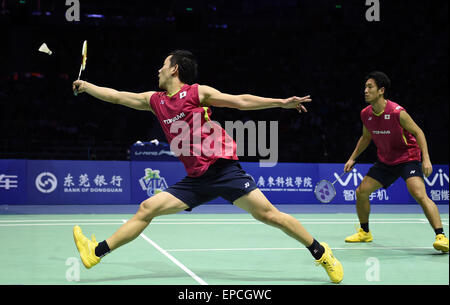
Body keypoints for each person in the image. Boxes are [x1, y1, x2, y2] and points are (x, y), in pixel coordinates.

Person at [72, 50, 344, 283]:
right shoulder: (155, 101)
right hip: (196, 180)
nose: (158, 70)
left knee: (269, 215)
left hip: (223, 170)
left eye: (163, 65)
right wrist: (87, 87)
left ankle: (321, 253)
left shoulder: (197, 93)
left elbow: (240, 101)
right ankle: (95, 253)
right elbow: (118, 96)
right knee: (147, 208)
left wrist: (280, 103)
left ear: (174, 69)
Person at [343, 71, 449, 253]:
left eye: (370, 87)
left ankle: (441, 236)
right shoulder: (366, 114)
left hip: (407, 158)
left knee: (419, 194)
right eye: (365, 87)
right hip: (385, 161)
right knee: (361, 192)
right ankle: (365, 232)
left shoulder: (397, 112)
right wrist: (353, 157)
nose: (365, 90)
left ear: (381, 90)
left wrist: (426, 159)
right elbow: (366, 137)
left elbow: (419, 133)